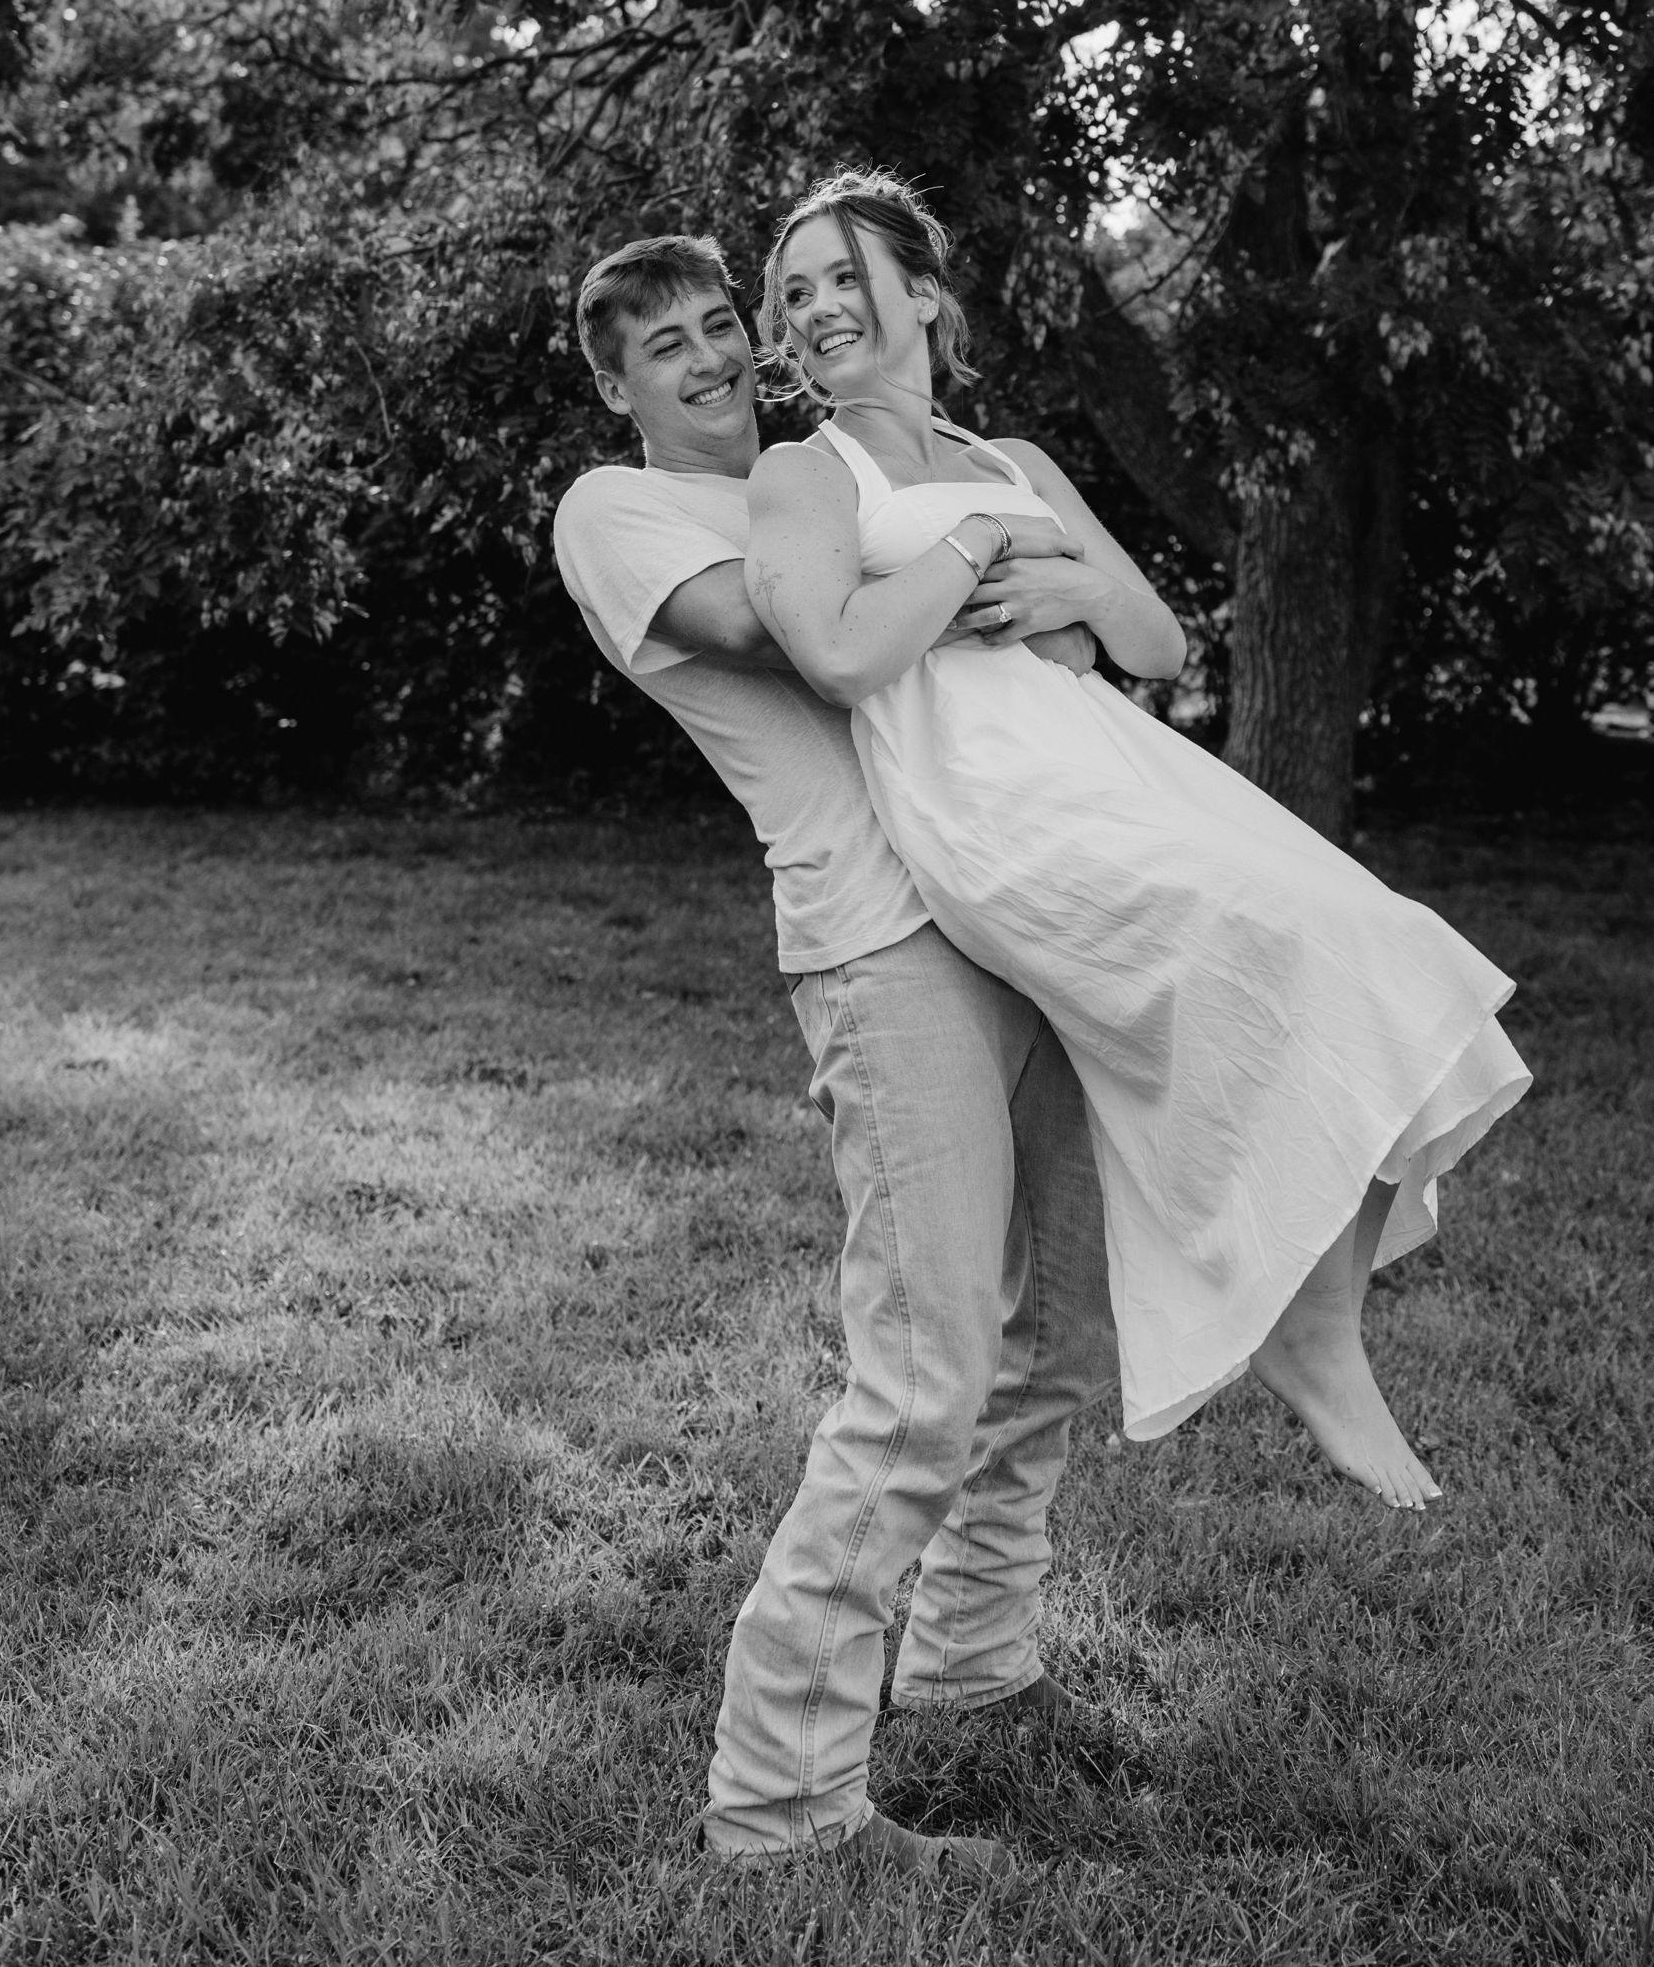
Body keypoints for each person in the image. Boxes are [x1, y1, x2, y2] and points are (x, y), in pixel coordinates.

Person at [742, 170, 1534, 1519]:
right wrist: (981, 548)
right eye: (795, 291)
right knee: (1274, 951)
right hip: (991, 799)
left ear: (923, 295)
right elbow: (838, 653)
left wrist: (1063, 579)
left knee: (1380, 945)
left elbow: (1156, 643)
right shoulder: (808, 472)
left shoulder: (1015, 460)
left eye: (842, 278)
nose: (815, 309)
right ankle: (1293, 1320)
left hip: (1116, 765)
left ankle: (1319, 1321)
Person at [552, 234, 1127, 1879]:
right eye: (664, 345)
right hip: (883, 943)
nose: (711, 356)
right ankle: (783, 1804)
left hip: (1024, 908)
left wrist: (1029, 569)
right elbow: (799, 633)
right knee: (924, 1370)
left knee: (1058, 1327)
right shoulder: (620, 509)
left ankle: (973, 1650)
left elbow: (1073, 643)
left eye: (720, 323)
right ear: (617, 387)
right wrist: (994, 541)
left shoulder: (844, 471)